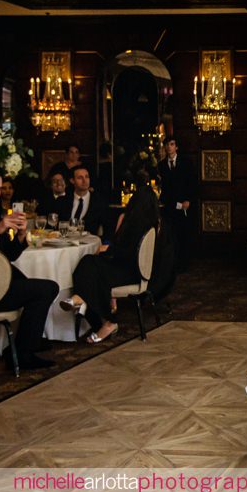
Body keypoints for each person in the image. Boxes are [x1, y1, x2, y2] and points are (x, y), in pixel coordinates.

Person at [61, 172, 160, 343]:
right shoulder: (154, 224)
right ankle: (88, 305)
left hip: (129, 271)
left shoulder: (136, 225)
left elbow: (126, 253)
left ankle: (103, 316)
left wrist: (106, 250)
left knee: (92, 267)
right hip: (132, 269)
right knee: (88, 261)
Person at [0, 165, 57, 370]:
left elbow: (7, 256)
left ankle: (22, 345)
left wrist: (22, 237)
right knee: (46, 289)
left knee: (37, 285)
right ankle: (23, 352)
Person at [157, 138, 196, 271]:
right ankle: (172, 263)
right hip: (170, 203)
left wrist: (188, 200)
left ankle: (184, 263)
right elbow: (165, 186)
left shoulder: (185, 163)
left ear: (176, 147)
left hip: (184, 202)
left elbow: (192, 182)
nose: (169, 147)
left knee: (183, 233)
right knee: (171, 234)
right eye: (167, 145)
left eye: (172, 144)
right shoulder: (162, 165)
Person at [61, 165, 108, 236]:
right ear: (72, 180)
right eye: (80, 178)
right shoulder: (62, 201)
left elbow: (107, 227)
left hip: (90, 243)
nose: (84, 180)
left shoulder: (99, 201)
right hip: (65, 243)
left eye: (87, 177)